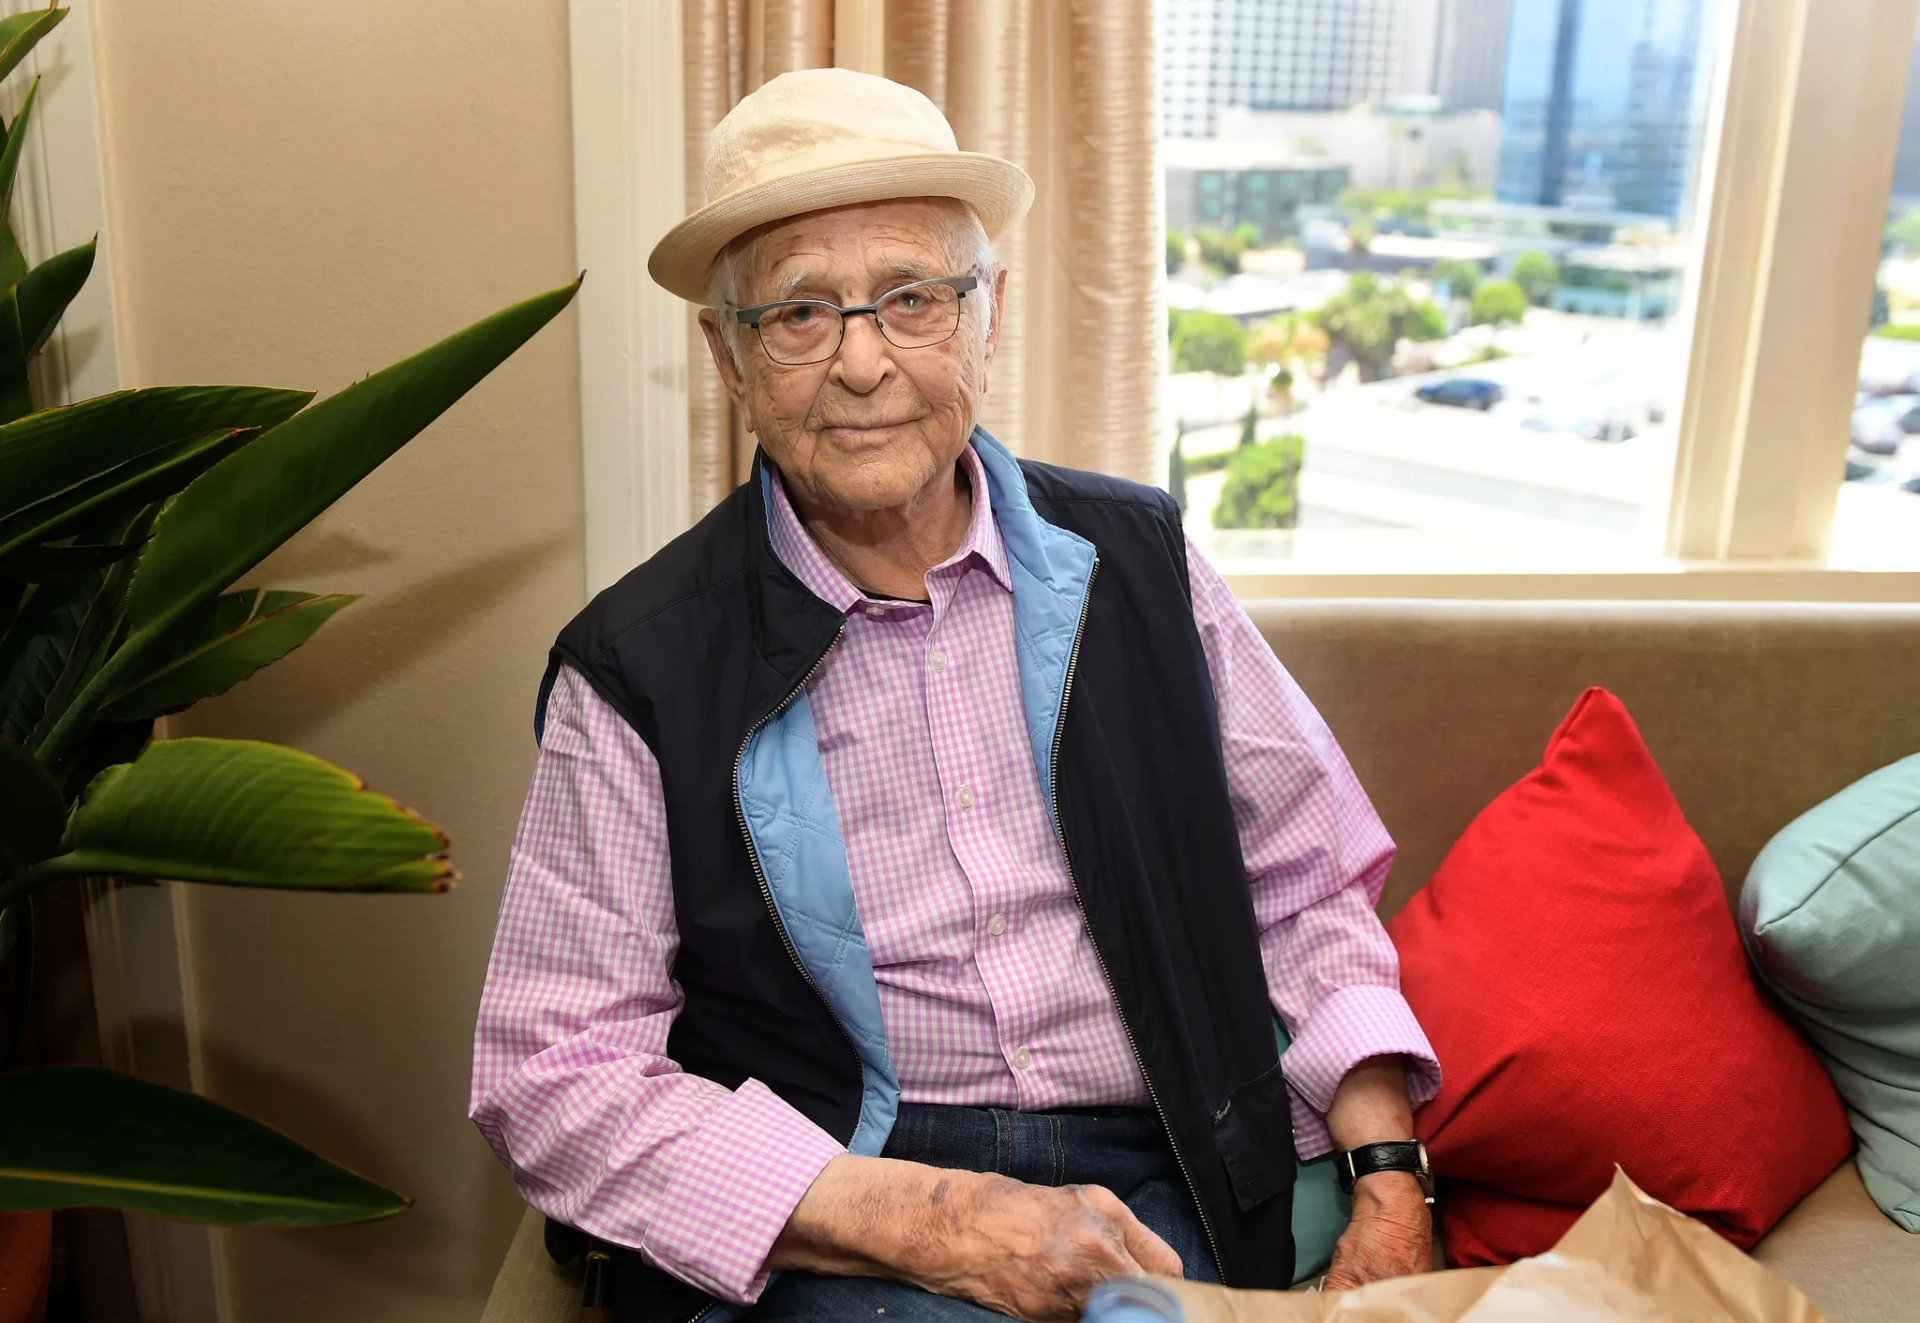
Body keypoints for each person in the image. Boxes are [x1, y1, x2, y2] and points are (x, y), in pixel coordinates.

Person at [471, 67, 1440, 1323]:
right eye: (802, 313)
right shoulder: (635, 667)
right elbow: (552, 1074)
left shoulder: (1142, 561)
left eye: (913, 298)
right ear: (729, 355)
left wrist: (1389, 1176)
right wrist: (924, 1217)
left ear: (986, 317)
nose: (864, 364)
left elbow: (1304, 881)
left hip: (1172, 1161)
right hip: (845, 1191)